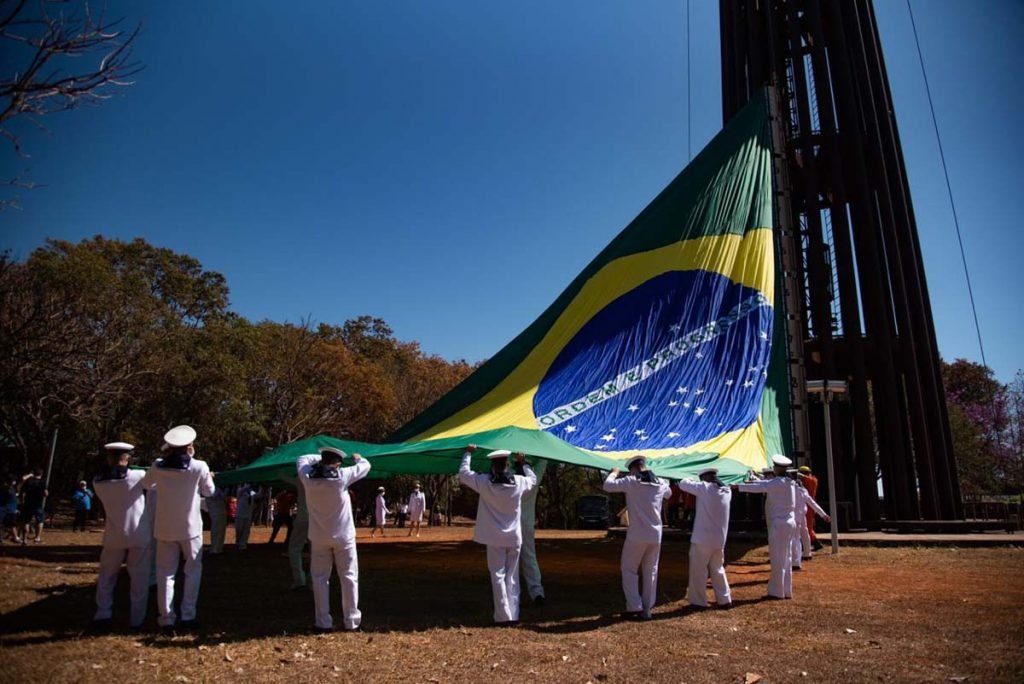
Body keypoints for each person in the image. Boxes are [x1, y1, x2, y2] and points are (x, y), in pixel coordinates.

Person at [143, 425, 215, 629]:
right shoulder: (199, 466)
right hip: (190, 528)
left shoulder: (158, 466)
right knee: (192, 571)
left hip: (165, 527)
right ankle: (188, 615)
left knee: (165, 573)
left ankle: (166, 618)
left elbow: (147, 485)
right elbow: (209, 491)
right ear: (189, 446)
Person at [458, 445, 536, 625]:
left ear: (493, 466)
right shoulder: (519, 482)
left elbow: (463, 473)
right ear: (507, 465)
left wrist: (468, 453)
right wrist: (524, 464)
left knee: (498, 575)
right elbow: (533, 479)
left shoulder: (484, 482)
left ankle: (503, 616)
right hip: (514, 537)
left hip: (494, 537)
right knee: (512, 575)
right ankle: (514, 614)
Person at [296, 446, 371, 632]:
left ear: (322, 460)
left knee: (320, 580)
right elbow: (366, 465)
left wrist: (319, 459)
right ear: (337, 463)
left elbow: (302, 458)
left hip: (319, 537)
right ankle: (352, 621)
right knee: (349, 578)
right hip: (344, 537)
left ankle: (323, 622)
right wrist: (357, 456)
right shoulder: (343, 476)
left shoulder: (307, 477)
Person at [92, 442, 154, 628]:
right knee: (139, 578)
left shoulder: (98, 482)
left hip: (114, 534)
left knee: (107, 576)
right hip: (138, 534)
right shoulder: (137, 476)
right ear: (127, 458)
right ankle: (137, 618)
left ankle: (103, 612)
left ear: (108, 458)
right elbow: (153, 480)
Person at [602, 455, 671, 620]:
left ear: (632, 469)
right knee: (651, 571)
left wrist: (614, 473)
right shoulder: (660, 482)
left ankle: (634, 605)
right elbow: (668, 494)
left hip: (637, 534)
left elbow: (607, 485)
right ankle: (647, 609)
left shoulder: (631, 481)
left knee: (629, 569)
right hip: (656, 534)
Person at [737, 455, 799, 599]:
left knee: (777, 557)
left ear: (777, 468)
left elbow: (761, 487)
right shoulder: (790, 482)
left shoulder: (777, 482)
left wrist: (738, 486)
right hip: (789, 522)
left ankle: (777, 592)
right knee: (787, 557)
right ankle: (786, 590)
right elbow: (764, 484)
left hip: (779, 523)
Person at [678, 467, 733, 609]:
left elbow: (683, 483)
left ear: (704, 478)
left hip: (702, 538)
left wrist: (688, 476)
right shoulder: (727, 491)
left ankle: (698, 601)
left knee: (698, 570)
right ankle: (724, 599)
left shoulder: (704, 488)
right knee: (718, 569)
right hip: (719, 539)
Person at [518, 458, 548, 607]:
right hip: (526, 525)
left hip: (509, 525)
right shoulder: (532, 483)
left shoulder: (510, 482)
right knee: (529, 557)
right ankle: (537, 592)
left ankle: (511, 594)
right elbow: (542, 464)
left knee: (508, 562)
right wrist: (525, 462)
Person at [791, 473, 830, 568]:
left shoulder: (790, 490)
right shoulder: (803, 490)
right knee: (805, 534)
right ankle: (807, 553)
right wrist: (823, 514)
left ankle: (796, 562)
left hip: (794, 516)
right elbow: (813, 503)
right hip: (802, 514)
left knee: (795, 538)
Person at [281, 473, 310, 590]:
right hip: (317, 520)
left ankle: (299, 580)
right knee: (317, 551)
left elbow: (283, 476)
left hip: (303, 519)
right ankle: (314, 581)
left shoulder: (301, 480)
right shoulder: (323, 480)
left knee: (294, 548)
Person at [18, 469, 47, 544]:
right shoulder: (42, 482)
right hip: (38, 504)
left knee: (26, 521)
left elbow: (22, 490)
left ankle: (24, 539)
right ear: (41, 474)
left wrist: (21, 500)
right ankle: (37, 538)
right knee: (40, 521)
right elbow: (45, 493)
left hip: (28, 504)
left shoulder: (29, 481)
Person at [798, 465, 824, 551]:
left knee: (807, 527)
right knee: (806, 527)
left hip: (809, 507)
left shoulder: (812, 480)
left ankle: (815, 543)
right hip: (805, 506)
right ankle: (811, 543)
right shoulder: (806, 481)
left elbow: (805, 479)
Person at [234, 483, 260, 550]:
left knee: (246, 530)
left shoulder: (252, 493)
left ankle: (243, 544)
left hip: (248, 515)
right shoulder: (240, 491)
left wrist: (262, 488)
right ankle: (238, 542)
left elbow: (259, 495)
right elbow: (241, 490)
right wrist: (247, 486)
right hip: (240, 514)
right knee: (239, 530)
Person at [207, 485, 228, 554]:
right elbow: (215, 496)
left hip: (221, 511)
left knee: (222, 530)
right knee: (216, 531)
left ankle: (219, 547)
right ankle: (215, 548)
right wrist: (224, 490)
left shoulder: (218, 489)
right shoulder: (210, 489)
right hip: (215, 513)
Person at [1, 475, 22, 543]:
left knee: (11, 525)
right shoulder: (9, 489)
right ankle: (15, 537)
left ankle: (15, 537)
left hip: (9, 509)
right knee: (11, 525)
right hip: (7, 509)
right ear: (12, 481)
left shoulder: (9, 488)